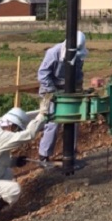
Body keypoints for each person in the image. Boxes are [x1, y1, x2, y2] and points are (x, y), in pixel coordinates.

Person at [37, 30, 88, 162]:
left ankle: (71, 153)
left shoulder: (79, 56)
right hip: (51, 90)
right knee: (53, 121)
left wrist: (78, 89)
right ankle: (44, 155)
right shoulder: (53, 53)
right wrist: (53, 92)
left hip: (69, 90)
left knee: (74, 120)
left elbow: (78, 74)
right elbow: (43, 74)